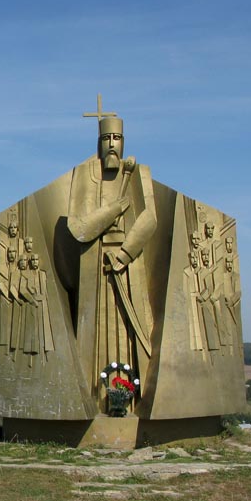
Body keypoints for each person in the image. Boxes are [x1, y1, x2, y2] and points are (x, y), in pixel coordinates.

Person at [66, 109, 157, 391]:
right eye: (106, 138)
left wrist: (126, 254)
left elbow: (149, 218)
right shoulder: (84, 173)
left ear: (124, 141)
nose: (112, 144)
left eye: (117, 138)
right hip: (95, 265)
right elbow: (79, 228)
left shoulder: (139, 172)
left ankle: (138, 388)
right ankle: (89, 391)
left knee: (135, 331)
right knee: (92, 333)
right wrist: (113, 210)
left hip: (129, 265)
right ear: (99, 143)